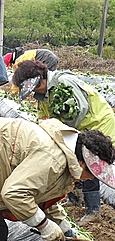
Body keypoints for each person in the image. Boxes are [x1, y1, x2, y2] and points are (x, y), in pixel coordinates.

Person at [13, 59, 115, 223]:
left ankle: (93, 209)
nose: (33, 91)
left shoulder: (63, 83)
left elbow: (80, 111)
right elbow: (43, 117)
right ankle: (74, 199)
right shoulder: (44, 95)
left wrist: (60, 129)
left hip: (98, 124)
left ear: (41, 78)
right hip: (79, 131)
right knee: (70, 163)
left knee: (90, 164)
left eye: (34, 86)